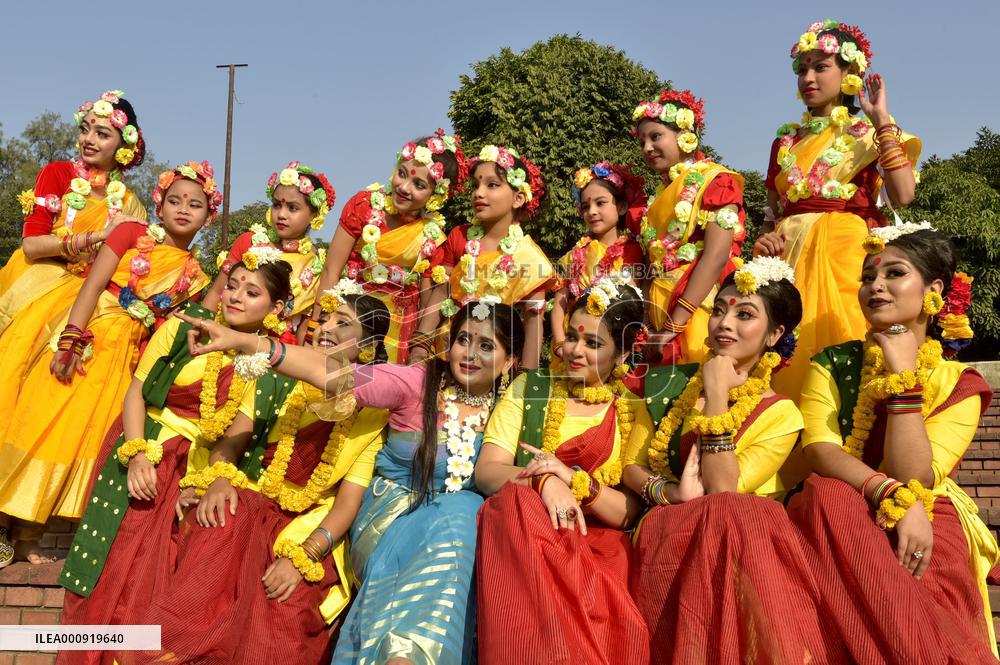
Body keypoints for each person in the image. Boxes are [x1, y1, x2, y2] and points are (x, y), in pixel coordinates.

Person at [177, 299, 524, 665]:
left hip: (449, 547)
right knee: (463, 510)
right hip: (388, 523)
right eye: (463, 340)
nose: (469, 354)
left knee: (464, 517)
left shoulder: (511, 413)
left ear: (510, 362)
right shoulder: (417, 383)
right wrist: (252, 343)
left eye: (486, 346)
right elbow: (337, 375)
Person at [134, 281, 391, 664]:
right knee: (210, 550)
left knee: (288, 603)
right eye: (324, 319)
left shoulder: (373, 413)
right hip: (252, 499)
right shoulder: (277, 375)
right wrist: (220, 478)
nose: (326, 328)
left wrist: (303, 554)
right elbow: (231, 444)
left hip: (310, 524)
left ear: (367, 347)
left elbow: (347, 503)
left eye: (344, 323)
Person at [57, 259, 294, 665]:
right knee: (111, 564)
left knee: (156, 580)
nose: (236, 296)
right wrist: (135, 456)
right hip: (143, 445)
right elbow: (136, 394)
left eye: (252, 293)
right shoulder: (184, 325)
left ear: (275, 309)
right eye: (234, 285)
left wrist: (204, 480)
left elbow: (234, 443)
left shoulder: (269, 364)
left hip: (198, 468)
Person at [787, 224, 997, 663]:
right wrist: (885, 490)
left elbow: (915, 475)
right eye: (867, 278)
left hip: (930, 508)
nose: (875, 287)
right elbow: (820, 450)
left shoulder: (960, 383)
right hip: (845, 496)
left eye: (893, 274)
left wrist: (903, 385)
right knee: (827, 496)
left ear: (934, 290)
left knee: (928, 565)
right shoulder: (833, 362)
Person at [621, 257, 845, 663]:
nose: (725, 323)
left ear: (775, 334)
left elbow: (724, 488)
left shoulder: (782, 414)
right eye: (720, 310)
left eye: (745, 315)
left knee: (730, 512)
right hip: (666, 527)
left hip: (744, 547)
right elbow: (631, 465)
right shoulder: (666, 385)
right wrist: (668, 491)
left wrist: (717, 392)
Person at [0, 161, 215, 567]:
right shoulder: (131, 233)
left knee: (75, 441)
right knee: (38, 425)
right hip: (85, 341)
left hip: (124, 362)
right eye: (174, 201)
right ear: (159, 204)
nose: (183, 209)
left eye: (195, 204)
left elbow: (165, 337)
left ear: (209, 216)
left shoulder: (196, 276)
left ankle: (29, 537)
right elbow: (94, 283)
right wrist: (70, 337)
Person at [475, 273, 650, 665]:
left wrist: (577, 485)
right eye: (572, 336)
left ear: (622, 356)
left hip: (596, 545)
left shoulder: (632, 411)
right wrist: (544, 478)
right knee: (519, 502)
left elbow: (628, 512)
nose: (574, 350)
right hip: (525, 537)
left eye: (593, 343)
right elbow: (487, 472)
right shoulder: (531, 388)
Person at [754, 20, 920, 399]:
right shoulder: (785, 141)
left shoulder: (869, 133)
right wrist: (763, 243)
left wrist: (881, 122)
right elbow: (772, 213)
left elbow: (904, 194)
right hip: (788, 257)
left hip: (845, 254)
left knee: (844, 346)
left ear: (850, 74)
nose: (808, 77)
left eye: (821, 66)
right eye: (802, 69)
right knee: (784, 353)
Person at [313, 131, 467, 362]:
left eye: (419, 184)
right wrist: (317, 326)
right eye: (401, 174)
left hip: (398, 330)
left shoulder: (431, 235)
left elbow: (426, 303)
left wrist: (421, 350)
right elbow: (331, 271)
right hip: (348, 317)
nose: (404, 187)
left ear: (436, 195)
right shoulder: (363, 205)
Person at [632, 88, 747, 363]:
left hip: (697, 308)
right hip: (659, 312)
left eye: (656, 136)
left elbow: (717, 255)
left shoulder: (716, 181)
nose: (647, 148)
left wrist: (677, 322)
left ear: (685, 136)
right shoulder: (658, 195)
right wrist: (649, 320)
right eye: (642, 141)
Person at [413, 145, 553, 369]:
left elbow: (533, 322)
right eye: (476, 185)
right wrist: (419, 348)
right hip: (445, 354)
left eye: (492, 185)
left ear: (518, 198)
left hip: (494, 364)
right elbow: (441, 292)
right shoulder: (460, 236)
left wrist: (527, 381)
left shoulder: (529, 257)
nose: (479, 193)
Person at [204, 162, 335, 338]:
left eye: (293, 208)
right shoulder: (249, 242)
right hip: (226, 335)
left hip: (279, 349)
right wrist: (198, 329)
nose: (281, 214)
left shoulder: (317, 264)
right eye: (277, 205)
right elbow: (216, 292)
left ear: (314, 214)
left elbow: (304, 322)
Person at [550, 162, 646, 356]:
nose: (592, 211)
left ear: (621, 207)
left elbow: (637, 305)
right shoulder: (575, 254)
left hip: (614, 347)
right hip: (574, 344)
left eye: (600, 203)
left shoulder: (634, 252)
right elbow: (559, 304)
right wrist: (561, 343)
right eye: (586, 206)